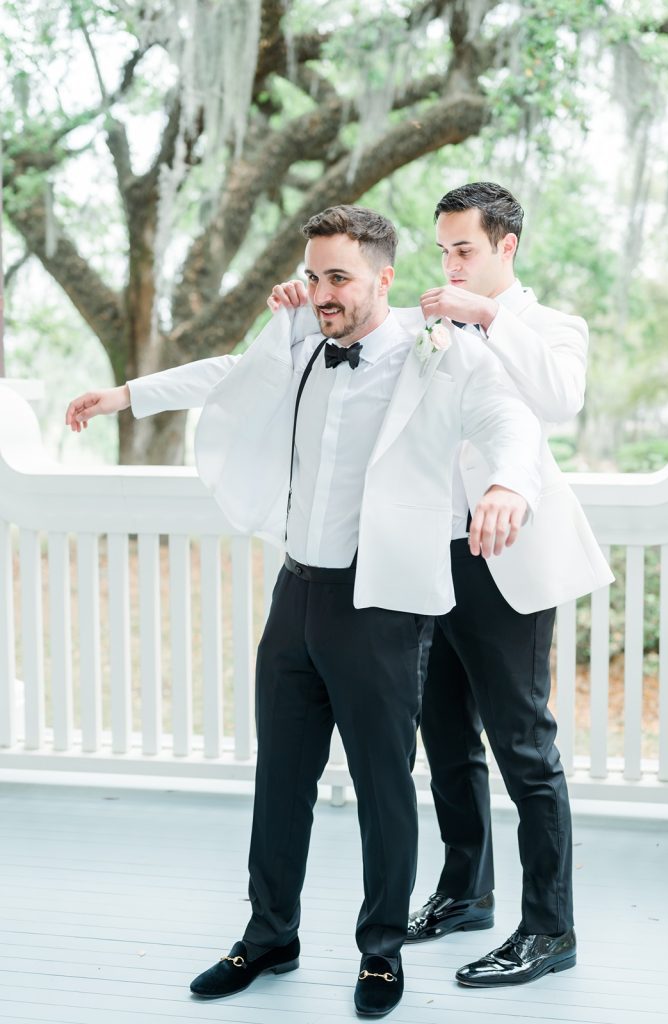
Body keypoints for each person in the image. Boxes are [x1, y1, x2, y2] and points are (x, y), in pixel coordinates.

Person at [66, 204, 542, 1016]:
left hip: (380, 606)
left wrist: (505, 483)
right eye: (315, 273)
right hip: (298, 593)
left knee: (383, 785)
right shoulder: (297, 343)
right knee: (280, 777)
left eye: (339, 278)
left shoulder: (439, 353)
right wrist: (124, 396)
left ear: (384, 279)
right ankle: (268, 935)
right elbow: (223, 372)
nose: (321, 292)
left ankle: (382, 952)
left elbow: (506, 416)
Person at [408, 182, 614, 986]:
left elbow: (559, 399)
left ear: (506, 247)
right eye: (444, 251)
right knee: (444, 733)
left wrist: (488, 318)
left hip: (510, 555)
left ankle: (550, 928)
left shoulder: (551, 326)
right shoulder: (434, 325)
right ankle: (465, 894)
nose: (451, 265)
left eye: (465, 249)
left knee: (524, 745)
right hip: (434, 555)